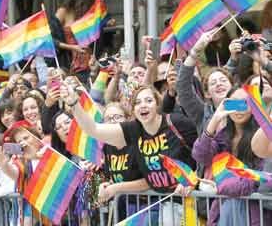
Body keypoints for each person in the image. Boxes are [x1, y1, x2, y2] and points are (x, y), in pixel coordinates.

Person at [61, 82, 197, 193]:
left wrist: (191, 182)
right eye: (137, 102)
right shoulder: (132, 129)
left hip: (190, 199)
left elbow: (202, 156)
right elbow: (93, 129)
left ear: (157, 104)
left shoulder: (176, 122)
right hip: (162, 203)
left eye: (149, 100)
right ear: (133, 110)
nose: (143, 105)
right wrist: (74, 104)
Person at [193, 87, 271, 225]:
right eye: (233, 104)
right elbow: (201, 156)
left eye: (244, 103)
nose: (239, 109)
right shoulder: (223, 137)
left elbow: (256, 180)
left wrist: (220, 187)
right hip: (224, 210)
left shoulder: (262, 138)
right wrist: (215, 120)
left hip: (253, 213)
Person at [177, 30, 233, 136]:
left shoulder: (242, 106)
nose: (218, 84)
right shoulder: (202, 113)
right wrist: (194, 52)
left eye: (223, 80)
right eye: (213, 83)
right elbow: (183, 88)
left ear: (232, 86)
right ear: (207, 93)